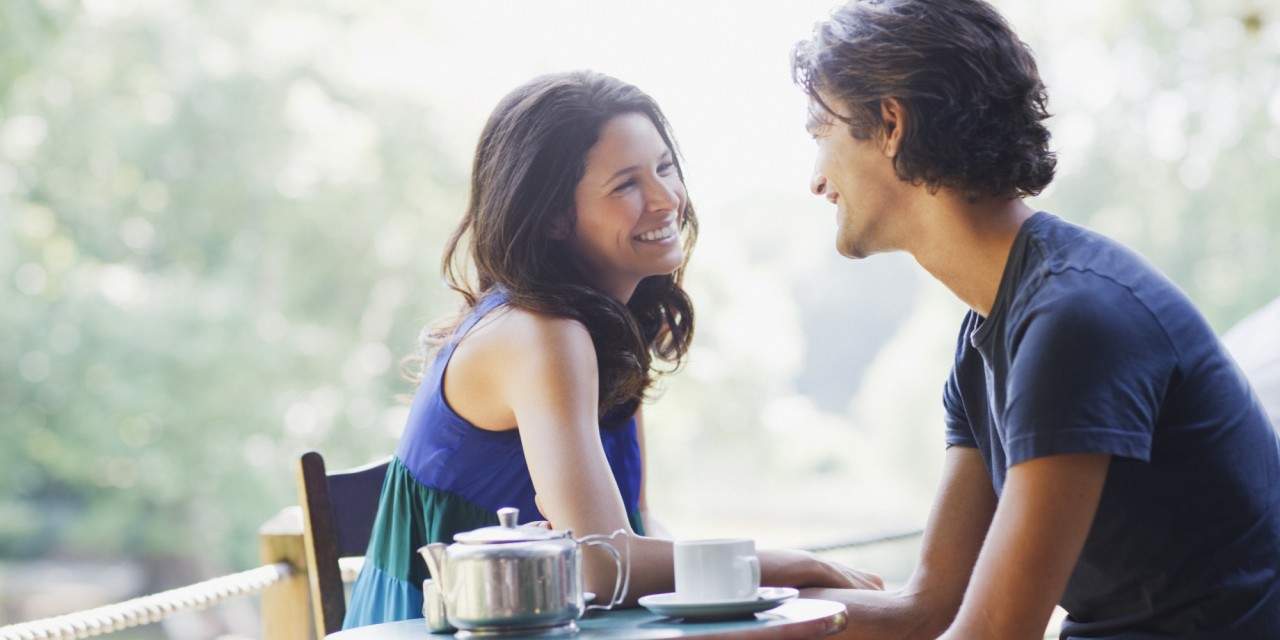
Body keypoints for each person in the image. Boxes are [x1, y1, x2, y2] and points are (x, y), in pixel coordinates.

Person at [790, 1, 1280, 638]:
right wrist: (736, 611)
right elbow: (928, 607)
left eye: (819, 132)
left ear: (890, 125)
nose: (815, 179)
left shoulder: (1073, 320)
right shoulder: (985, 338)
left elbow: (994, 634)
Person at [343, 70, 881, 629]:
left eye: (665, 169)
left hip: (567, 625)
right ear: (552, 217)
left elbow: (637, 528)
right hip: (450, 628)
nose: (665, 199)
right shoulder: (542, 334)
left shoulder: (604, 330)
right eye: (626, 185)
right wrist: (786, 561)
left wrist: (772, 574)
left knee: (839, 605)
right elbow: (604, 564)